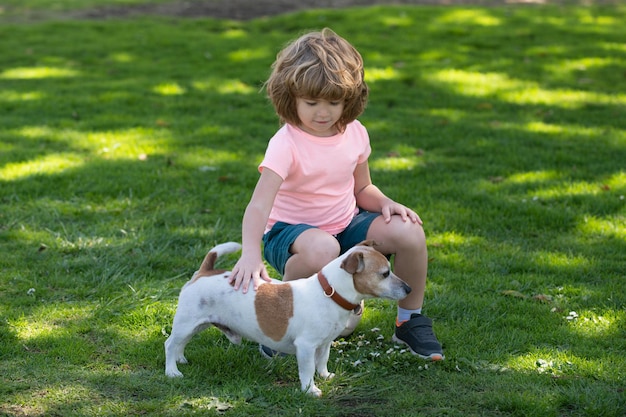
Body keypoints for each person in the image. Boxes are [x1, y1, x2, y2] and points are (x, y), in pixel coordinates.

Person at [230, 28, 444, 361]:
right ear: (291, 98)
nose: (323, 112)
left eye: (333, 101)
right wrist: (250, 254)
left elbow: (362, 189)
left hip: (345, 226)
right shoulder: (286, 143)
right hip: (291, 236)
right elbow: (259, 205)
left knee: (409, 231)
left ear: (350, 98)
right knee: (322, 247)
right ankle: (280, 325)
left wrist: (386, 203)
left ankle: (409, 322)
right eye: (311, 102)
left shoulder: (354, 133)